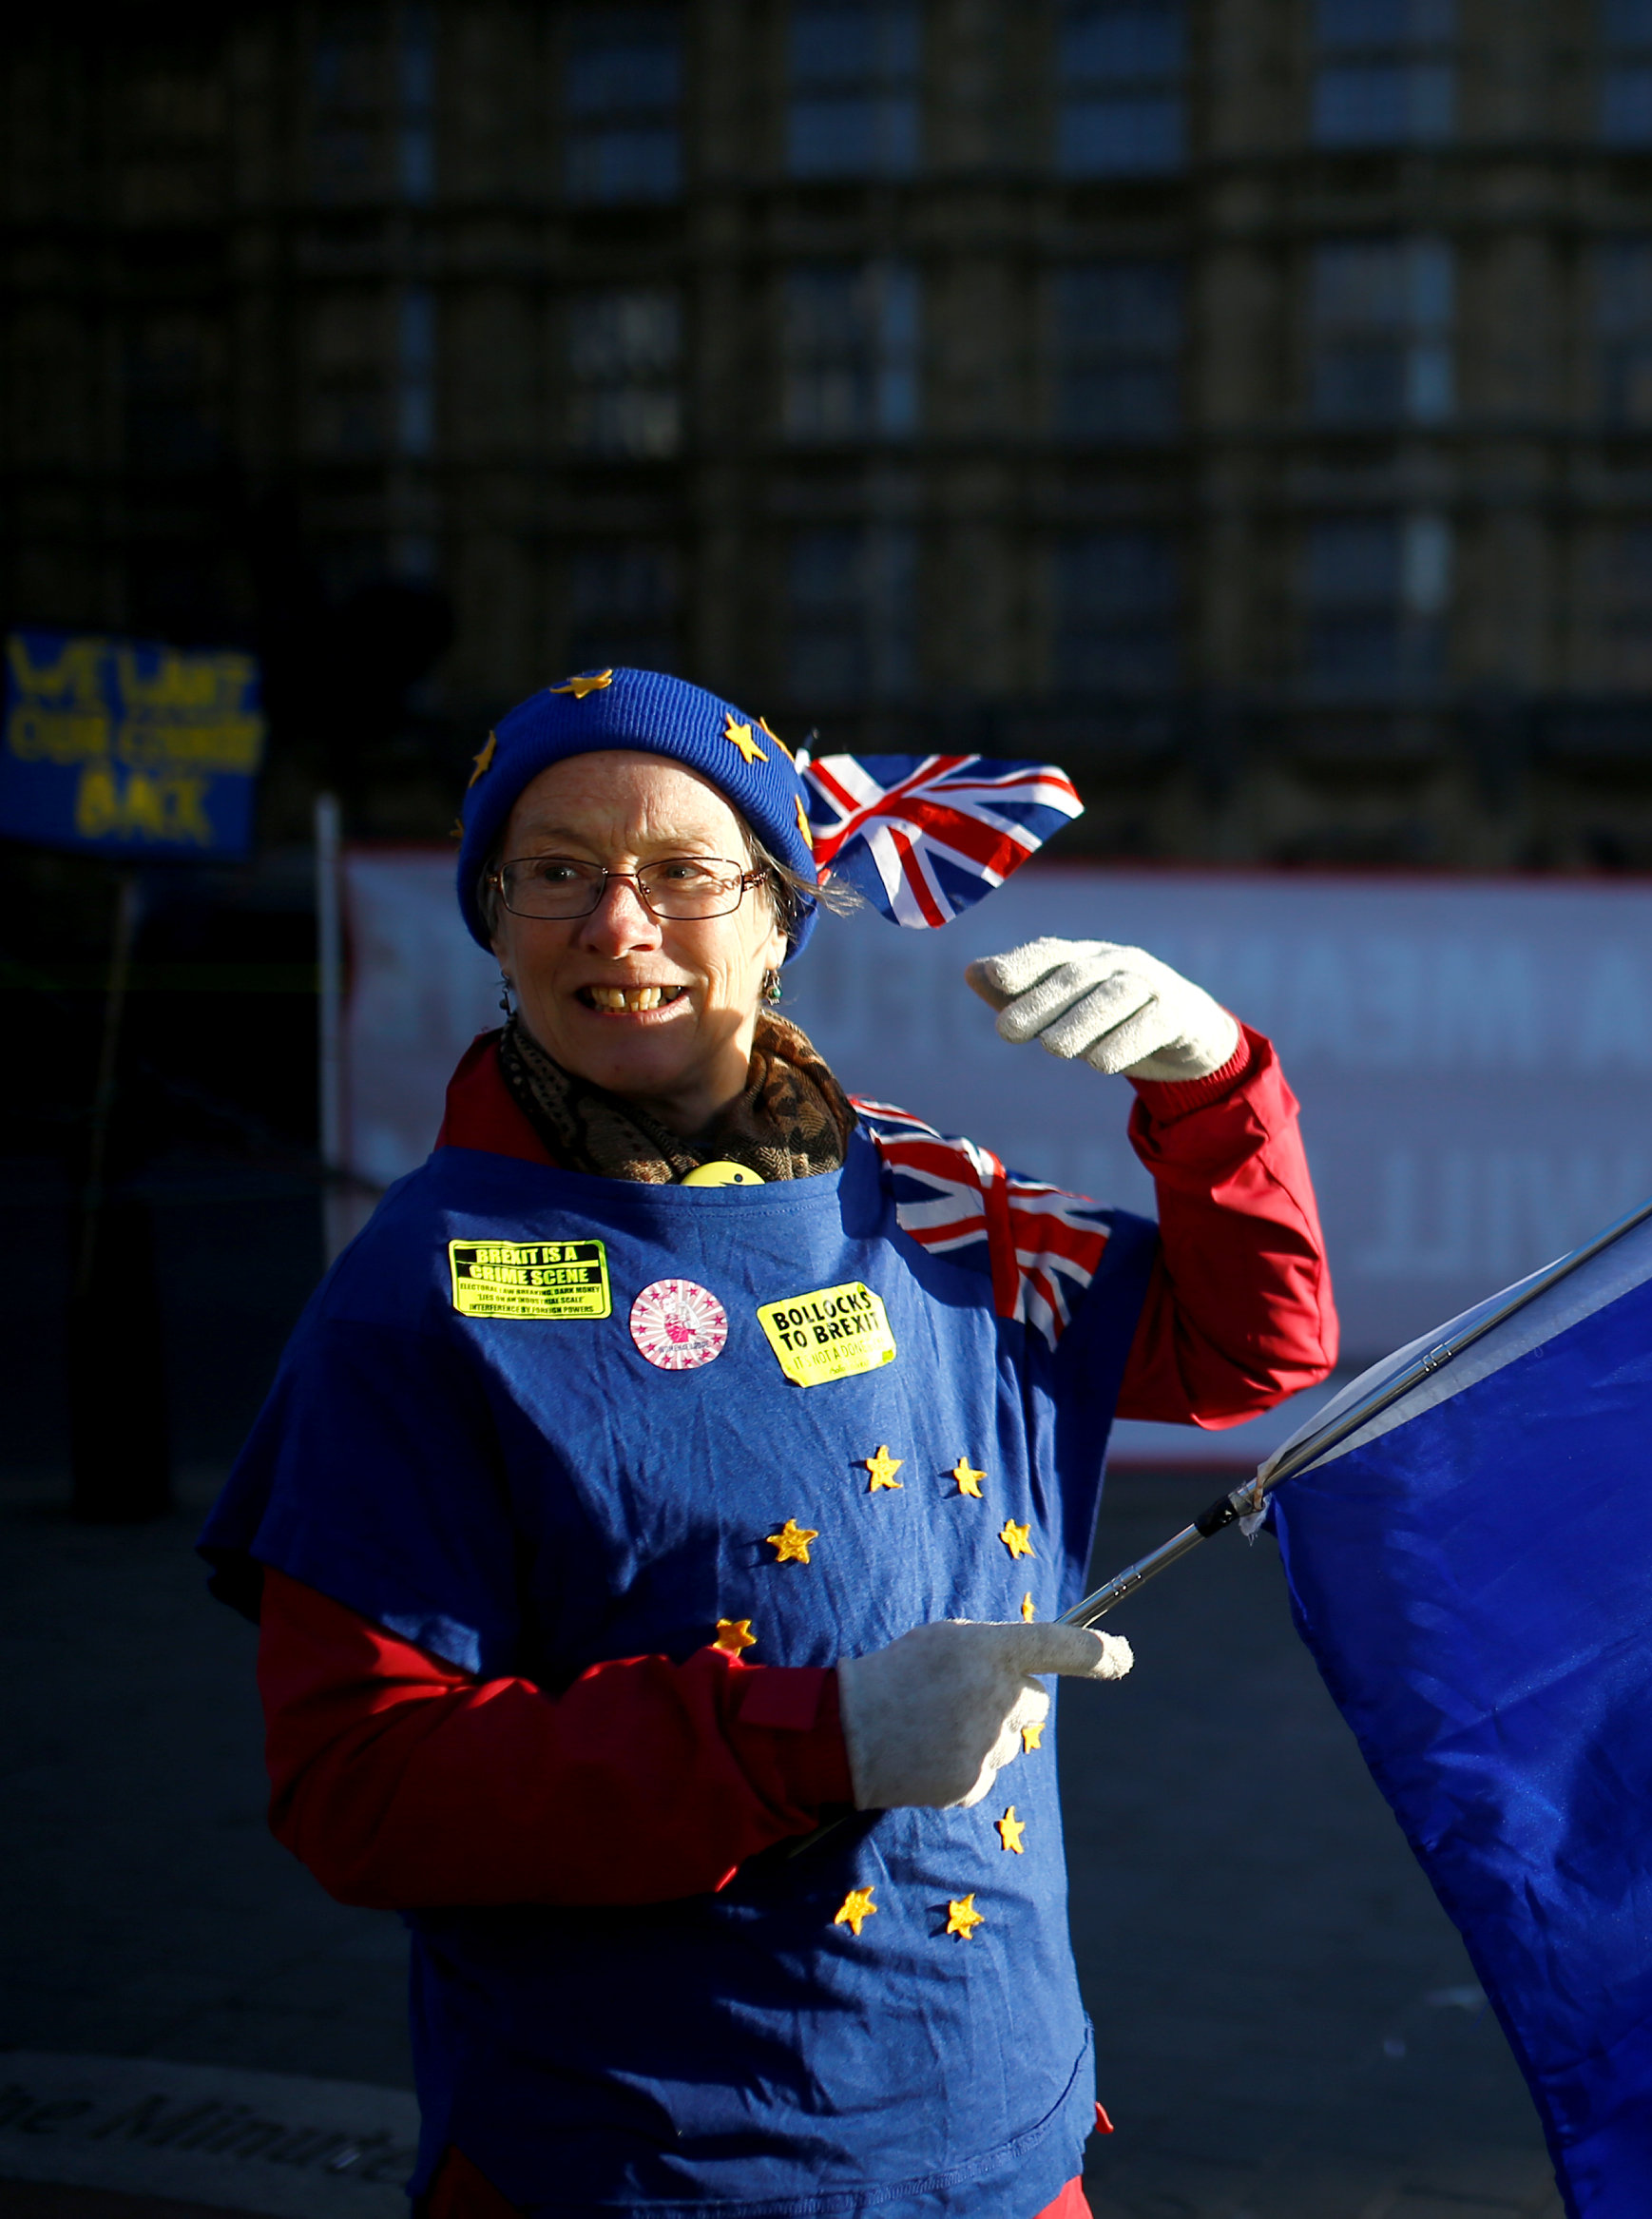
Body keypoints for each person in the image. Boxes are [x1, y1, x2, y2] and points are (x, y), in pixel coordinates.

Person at [199, 667, 1337, 2219]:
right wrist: (824, 1736)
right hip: (630, 2167)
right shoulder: (415, 1294)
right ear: (492, 918)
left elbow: (1249, 1345)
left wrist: (1212, 1087)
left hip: (1005, 2137)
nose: (620, 926)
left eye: (685, 872)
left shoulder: (933, 1194)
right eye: (558, 873)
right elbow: (361, 1785)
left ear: (781, 914)